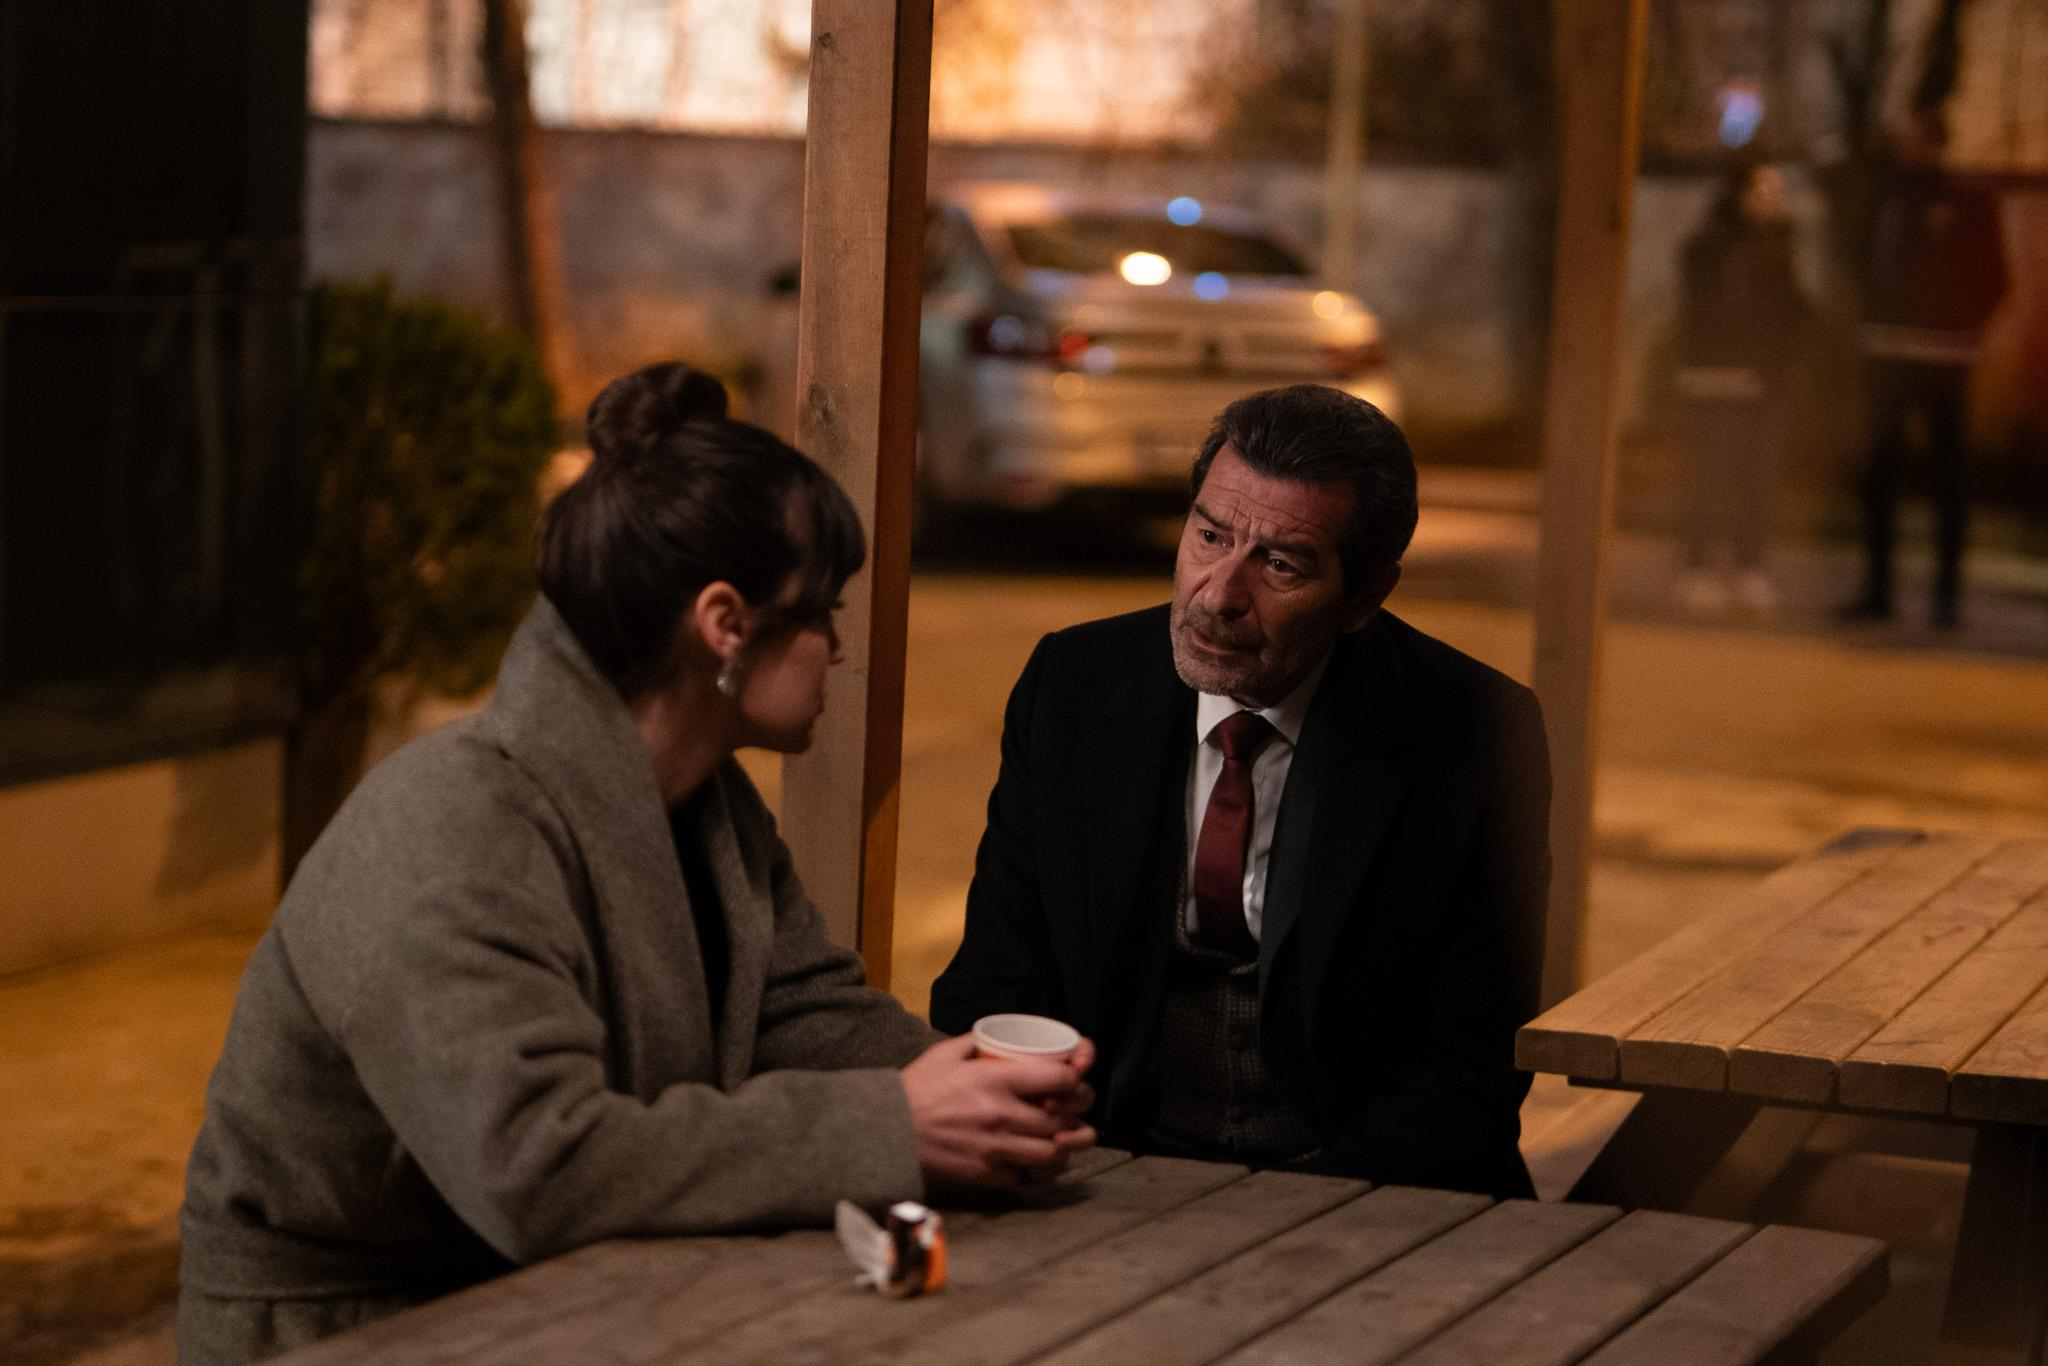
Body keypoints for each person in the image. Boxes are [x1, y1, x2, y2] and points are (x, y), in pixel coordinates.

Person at [178, 363, 1094, 1363]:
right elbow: (536, 1167)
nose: (838, 648)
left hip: (573, 1295)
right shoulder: (452, 828)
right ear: (725, 624)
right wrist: (892, 1124)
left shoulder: (706, 800)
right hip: (355, 1331)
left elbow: (797, 1010)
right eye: (822, 612)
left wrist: (970, 1088)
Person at [929, 384, 1551, 1198]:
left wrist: (1305, 1214)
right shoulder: (1073, 685)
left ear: (1365, 596)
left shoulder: (1473, 728)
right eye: (1209, 535)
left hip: (1370, 1186)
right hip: (1110, 1164)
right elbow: (996, 978)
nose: (1218, 595)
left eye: (1280, 564)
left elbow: (1471, 1065)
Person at [1843, 110, 2010, 630]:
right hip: (1888, 353)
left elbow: (1995, 276)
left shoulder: (1967, 200)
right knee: (1880, 476)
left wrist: (1964, 329)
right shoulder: (1885, 198)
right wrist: (1870, 320)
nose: (1905, 148)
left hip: (1944, 358)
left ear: (1937, 143)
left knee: (1948, 479)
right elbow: (1857, 261)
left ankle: (1946, 597)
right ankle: (1878, 591)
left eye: (1914, 139)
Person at [1671, 162, 1811, 619]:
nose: (1774, 201)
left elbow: (1790, 311)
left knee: (1758, 479)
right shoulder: (1708, 246)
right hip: (1717, 380)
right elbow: (1707, 312)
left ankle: (1750, 569)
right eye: (1763, 191)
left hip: (1766, 384)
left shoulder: (1781, 244)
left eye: (1777, 192)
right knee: (1710, 476)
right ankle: (1696, 569)